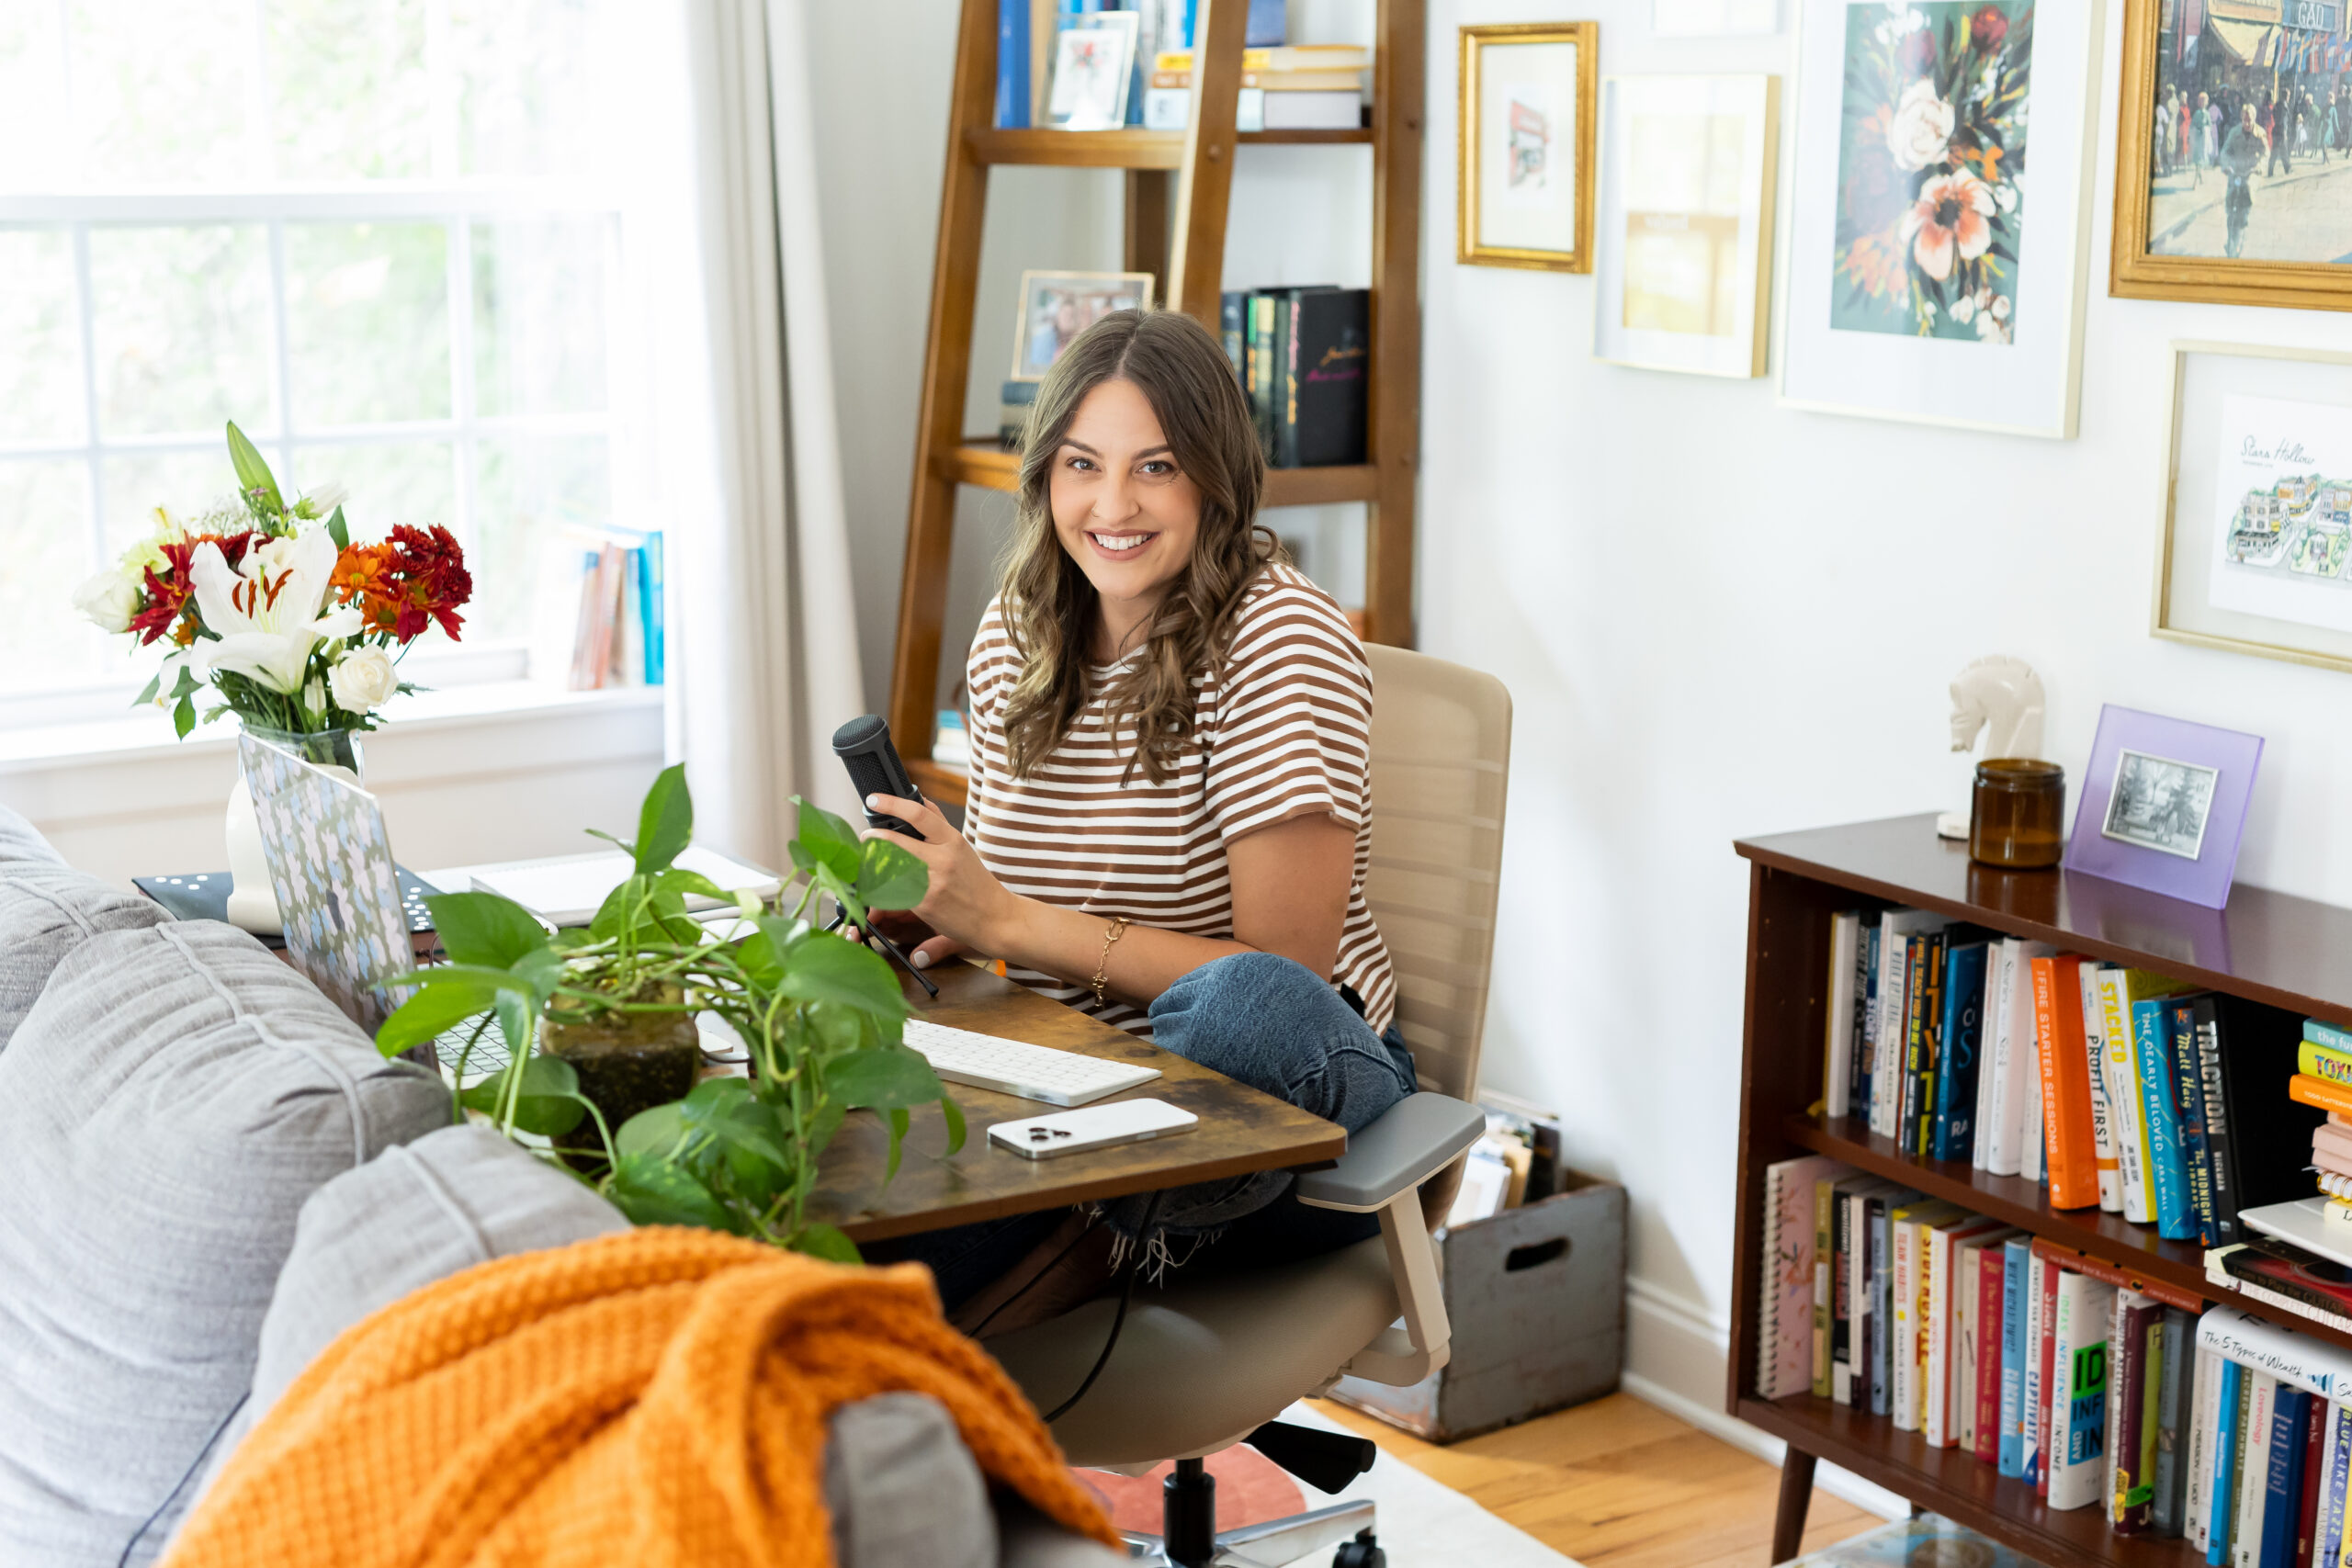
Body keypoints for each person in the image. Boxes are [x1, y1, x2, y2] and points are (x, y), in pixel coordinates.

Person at [858, 308, 1417, 1320]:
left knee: (1248, 1005)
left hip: (1283, 1101)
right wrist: (949, 909)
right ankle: (1096, 1228)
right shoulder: (1020, 625)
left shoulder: (1279, 638)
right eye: (1082, 464)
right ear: (1045, 477)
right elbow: (1020, 896)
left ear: (1215, 477)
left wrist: (1013, 925)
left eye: (1155, 467)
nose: (1111, 504)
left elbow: (1283, 974)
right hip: (1066, 1068)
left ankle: (1105, 1240)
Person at [2224, 102, 2266, 257]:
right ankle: (2230, 238)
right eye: (2244, 120)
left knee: (2248, 191)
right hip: (2236, 172)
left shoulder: (2260, 133)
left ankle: (2243, 229)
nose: (2246, 123)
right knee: (2230, 199)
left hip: (2251, 173)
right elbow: (2225, 150)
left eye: (2249, 120)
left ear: (2254, 118)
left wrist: (2259, 167)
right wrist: (2226, 165)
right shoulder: (2234, 132)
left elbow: (2265, 153)